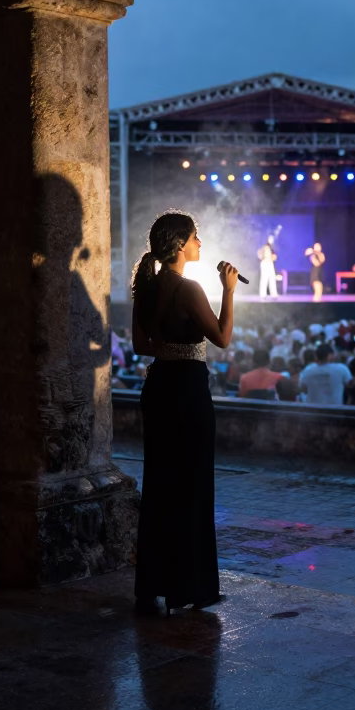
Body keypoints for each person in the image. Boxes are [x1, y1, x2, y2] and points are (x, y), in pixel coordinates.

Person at [132, 212, 237, 613]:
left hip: (158, 387)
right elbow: (223, 338)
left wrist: (169, 348)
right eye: (194, 237)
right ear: (178, 244)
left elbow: (142, 344)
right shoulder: (190, 288)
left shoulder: (147, 286)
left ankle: (152, 587)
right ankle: (188, 588)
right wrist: (228, 290)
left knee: (159, 486)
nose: (199, 243)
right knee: (192, 488)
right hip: (188, 392)